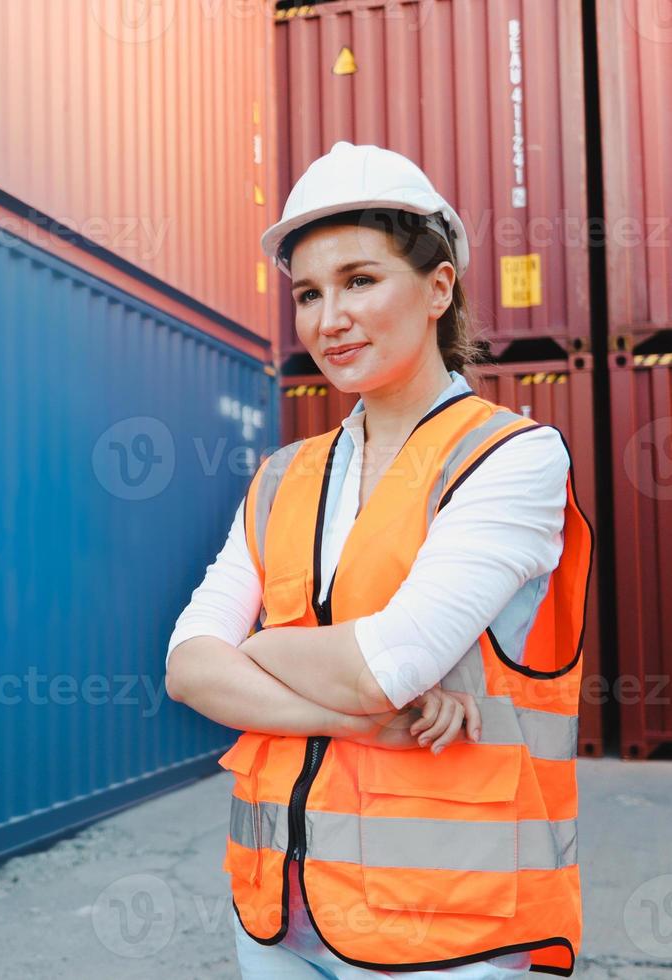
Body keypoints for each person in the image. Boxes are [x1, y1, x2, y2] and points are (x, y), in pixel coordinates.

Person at [163, 142, 593, 978]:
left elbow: (382, 669)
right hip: (277, 912)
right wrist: (354, 716)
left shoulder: (511, 457)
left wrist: (254, 650)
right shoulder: (284, 474)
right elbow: (185, 671)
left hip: (446, 929)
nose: (329, 319)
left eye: (360, 280)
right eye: (309, 294)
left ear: (439, 289)